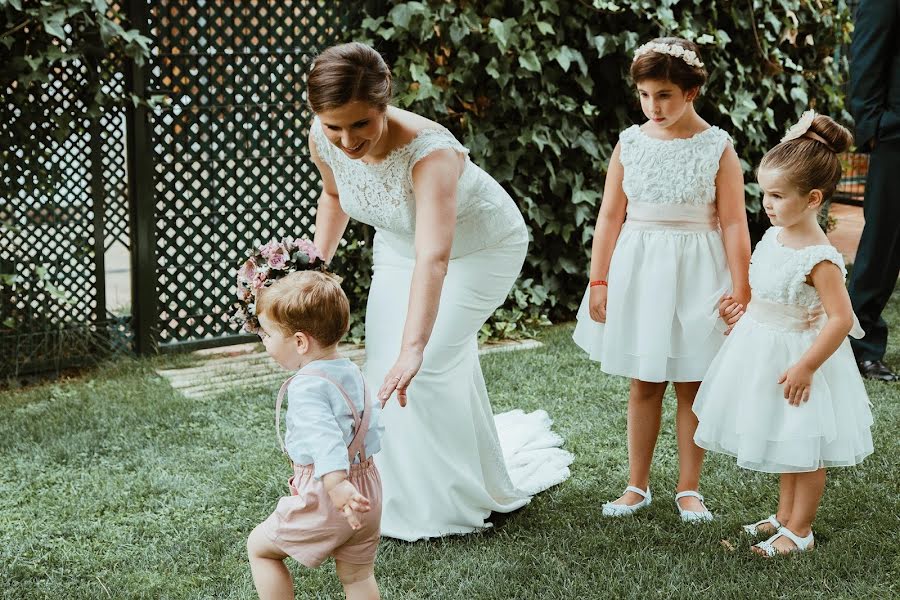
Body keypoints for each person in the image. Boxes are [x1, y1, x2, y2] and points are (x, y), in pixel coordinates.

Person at [306, 42, 572, 540]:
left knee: (420, 368)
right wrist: (316, 269)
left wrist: (414, 347)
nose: (345, 140)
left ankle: (448, 502)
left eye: (360, 124)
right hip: (400, 242)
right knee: (384, 371)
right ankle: (392, 489)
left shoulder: (432, 152)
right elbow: (335, 193)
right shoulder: (324, 135)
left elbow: (436, 258)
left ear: (384, 105)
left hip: (480, 250)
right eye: (333, 125)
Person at [572, 37, 751, 521]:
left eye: (665, 94)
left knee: (692, 382)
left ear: (691, 92)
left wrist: (741, 285)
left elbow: (734, 221)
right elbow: (610, 215)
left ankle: (689, 488)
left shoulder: (717, 146)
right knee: (644, 382)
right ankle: (637, 485)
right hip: (641, 268)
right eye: (646, 94)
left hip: (699, 268)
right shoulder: (630, 143)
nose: (654, 105)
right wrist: (599, 280)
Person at [693, 113, 874, 556]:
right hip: (763, 350)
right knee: (783, 436)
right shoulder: (774, 237)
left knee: (803, 443)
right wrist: (743, 310)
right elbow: (767, 291)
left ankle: (801, 530)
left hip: (801, 357)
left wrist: (807, 366)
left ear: (813, 198)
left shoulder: (820, 258)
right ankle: (783, 514)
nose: (767, 204)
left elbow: (840, 319)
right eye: (764, 194)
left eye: (777, 195)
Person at [246, 271, 383, 599]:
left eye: (267, 335)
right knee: (357, 576)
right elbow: (371, 426)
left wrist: (336, 483)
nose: (264, 342)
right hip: (368, 491)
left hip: (328, 495)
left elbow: (325, 439)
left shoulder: (308, 385)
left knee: (260, 548)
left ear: (300, 342)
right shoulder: (350, 370)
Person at [847, 0, 900, 381]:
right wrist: (875, 130)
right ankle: (860, 346)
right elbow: (867, 56)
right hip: (896, 137)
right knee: (883, 243)